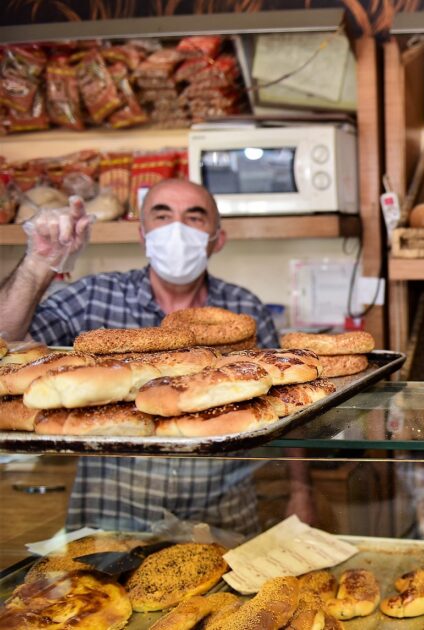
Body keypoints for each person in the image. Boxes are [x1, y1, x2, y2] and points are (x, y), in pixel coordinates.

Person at [0, 178, 313, 533]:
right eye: (162, 216)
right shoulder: (93, 296)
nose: (176, 230)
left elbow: (287, 401)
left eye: (194, 218)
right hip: (113, 509)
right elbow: (6, 337)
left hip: (221, 506)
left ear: (218, 238)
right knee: (94, 589)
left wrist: (301, 488)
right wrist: (38, 262)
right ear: (142, 234)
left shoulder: (244, 307)